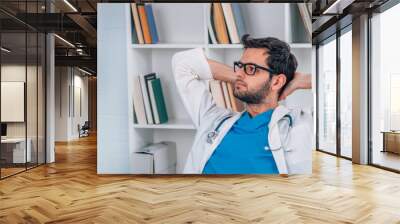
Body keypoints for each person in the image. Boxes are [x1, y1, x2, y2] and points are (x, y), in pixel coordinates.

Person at [172, 35, 312, 175]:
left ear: (276, 82)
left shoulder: (299, 126)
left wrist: (301, 81)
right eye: (240, 66)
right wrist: (241, 77)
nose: (238, 73)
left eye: (251, 68)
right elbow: (182, 64)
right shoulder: (213, 118)